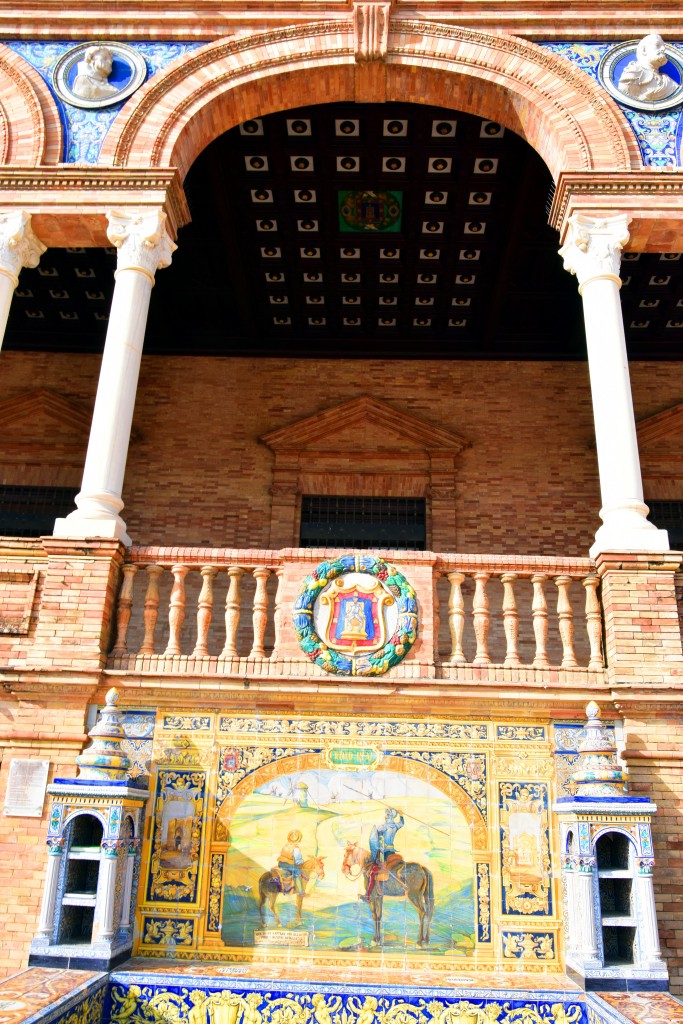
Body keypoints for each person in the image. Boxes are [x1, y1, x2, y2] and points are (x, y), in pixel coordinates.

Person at [617, 33, 678, 103]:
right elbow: (625, 96)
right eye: (657, 45)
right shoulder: (634, 72)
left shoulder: (668, 82)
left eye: (663, 47)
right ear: (644, 50)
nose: (663, 49)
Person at [361, 807, 404, 901]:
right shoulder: (395, 826)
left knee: (373, 872)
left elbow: (376, 838)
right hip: (392, 851)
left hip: (384, 853)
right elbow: (402, 823)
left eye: (387, 814)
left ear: (390, 816)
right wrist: (401, 815)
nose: (385, 816)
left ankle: (368, 895)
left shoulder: (383, 827)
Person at [277, 829, 305, 893]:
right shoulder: (296, 848)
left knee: (287, 872)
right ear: (299, 839)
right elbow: (298, 861)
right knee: (298, 873)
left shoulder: (286, 845)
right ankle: (300, 892)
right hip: (289, 865)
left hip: (281, 863)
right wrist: (302, 861)